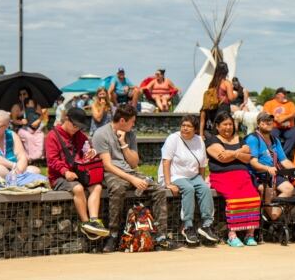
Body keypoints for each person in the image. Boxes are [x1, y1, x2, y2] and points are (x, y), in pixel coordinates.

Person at [92, 104, 175, 252]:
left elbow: (134, 162)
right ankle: (113, 234)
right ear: (122, 120)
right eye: (132, 121)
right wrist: (132, 180)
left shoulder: (130, 134)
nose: (134, 124)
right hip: (112, 173)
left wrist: (124, 144)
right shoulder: (101, 134)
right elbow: (107, 166)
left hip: (130, 171)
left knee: (159, 190)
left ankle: (160, 236)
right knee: (117, 189)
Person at [45, 108, 108, 239]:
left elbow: (87, 149)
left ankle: (94, 221)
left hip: (78, 173)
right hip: (58, 177)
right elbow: (52, 161)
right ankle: (85, 224)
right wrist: (65, 171)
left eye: (79, 127)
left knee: (97, 187)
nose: (76, 129)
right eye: (74, 125)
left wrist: (91, 152)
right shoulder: (52, 136)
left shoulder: (79, 135)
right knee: (78, 189)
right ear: (66, 119)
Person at [158, 115, 217, 245]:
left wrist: (201, 182)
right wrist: (168, 183)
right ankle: (187, 226)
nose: (185, 128)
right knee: (189, 189)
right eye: (183, 125)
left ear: (195, 129)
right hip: (174, 175)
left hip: (193, 176)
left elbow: (201, 165)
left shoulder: (199, 140)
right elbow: (166, 162)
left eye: (189, 126)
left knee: (205, 189)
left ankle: (207, 225)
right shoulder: (173, 138)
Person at [205, 111, 261, 247]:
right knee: (234, 199)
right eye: (225, 124)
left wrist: (232, 153)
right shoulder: (212, 140)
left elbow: (248, 158)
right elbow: (222, 158)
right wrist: (240, 152)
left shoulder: (239, 139)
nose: (228, 127)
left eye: (230, 124)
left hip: (242, 176)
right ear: (217, 126)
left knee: (254, 198)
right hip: (222, 176)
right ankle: (232, 235)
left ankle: (249, 235)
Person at [246, 111, 295, 221]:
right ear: (258, 124)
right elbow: (253, 162)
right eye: (264, 121)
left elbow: (284, 161)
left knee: (288, 188)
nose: (268, 123)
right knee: (267, 190)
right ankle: (273, 218)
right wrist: (267, 168)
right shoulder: (253, 139)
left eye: (270, 121)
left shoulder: (275, 139)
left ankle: (273, 215)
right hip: (257, 173)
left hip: (273, 173)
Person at [199, 61, 235, 136]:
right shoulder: (226, 83)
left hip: (213, 108)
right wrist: (236, 94)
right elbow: (231, 98)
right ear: (226, 71)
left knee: (216, 129)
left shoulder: (212, 83)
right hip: (223, 108)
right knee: (224, 129)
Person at [262, 87, 295, 158]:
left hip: (289, 128)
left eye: (286, 94)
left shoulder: (290, 104)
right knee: (272, 135)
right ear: (277, 95)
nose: (285, 96)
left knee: (294, 135)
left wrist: (283, 119)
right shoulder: (269, 103)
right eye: (284, 94)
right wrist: (276, 119)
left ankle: (282, 157)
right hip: (274, 127)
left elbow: (294, 114)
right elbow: (266, 113)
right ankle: (277, 156)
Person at [16, 96, 47, 161]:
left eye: (33, 103)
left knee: (40, 136)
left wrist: (38, 121)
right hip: (25, 130)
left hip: (36, 130)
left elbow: (40, 119)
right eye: (31, 103)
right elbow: (17, 117)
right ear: (26, 104)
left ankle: (39, 155)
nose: (32, 104)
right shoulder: (23, 111)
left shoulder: (36, 111)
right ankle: (31, 157)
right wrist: (22, 121)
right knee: (29, 137)